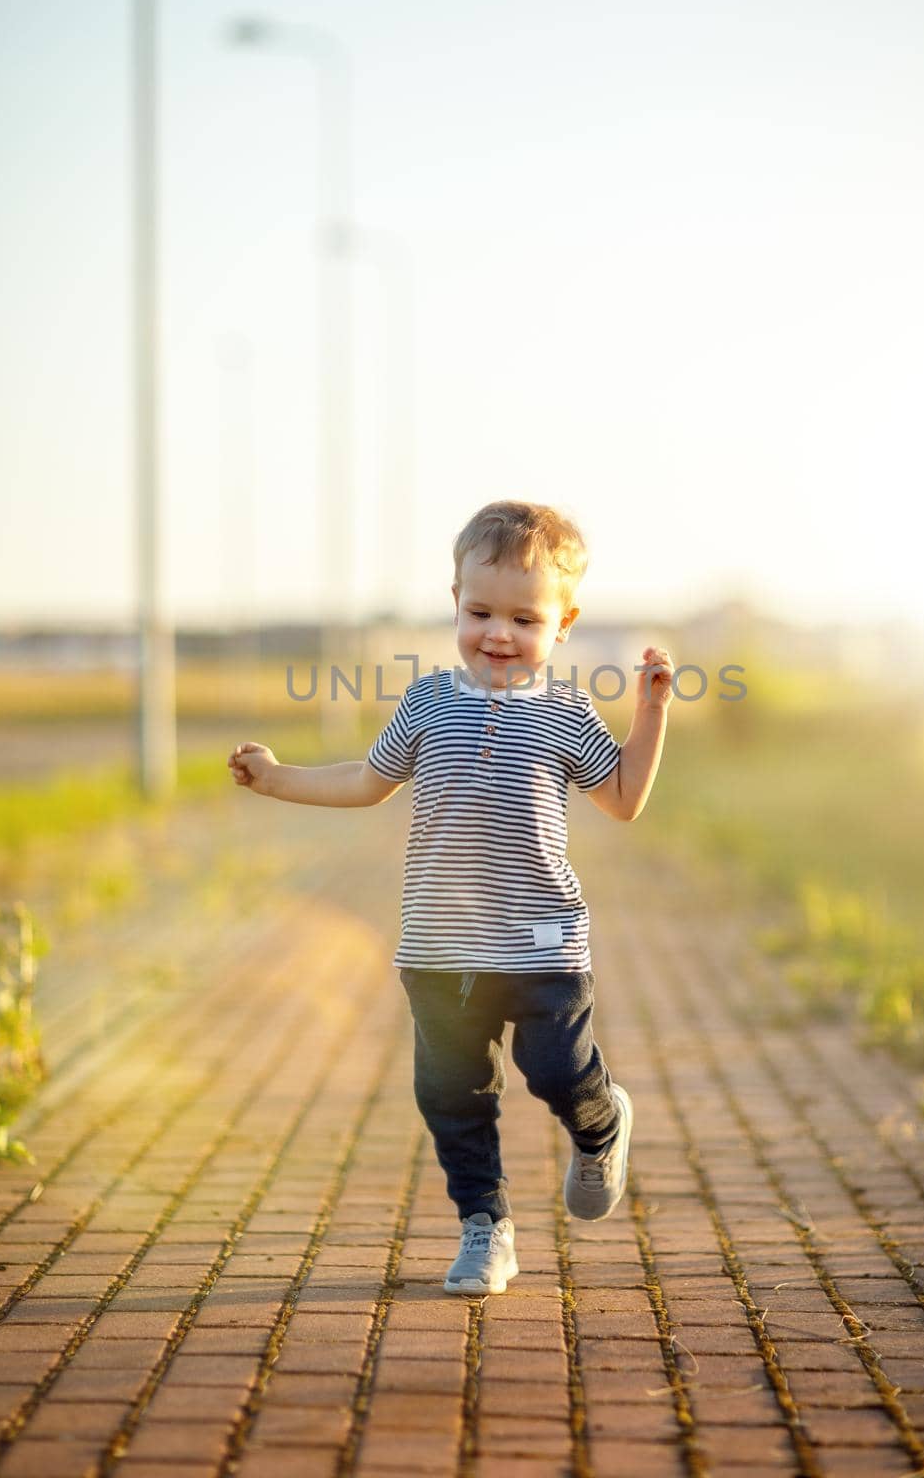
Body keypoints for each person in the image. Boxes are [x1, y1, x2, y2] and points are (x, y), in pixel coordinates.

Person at [228, 499, 673, 1295]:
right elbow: (366, 782)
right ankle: (485, 1227)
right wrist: (276, 777)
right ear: (456, 603)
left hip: (542, 943)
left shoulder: (568, 713)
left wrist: (649, 711)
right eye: (479, 611)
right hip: (438, 948)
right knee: (450, 1092)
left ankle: (601, 1123)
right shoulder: (428, 702)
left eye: (523, 618)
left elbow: (623, 799)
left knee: (554, 1068)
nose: (497, 633)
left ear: (562, 624)